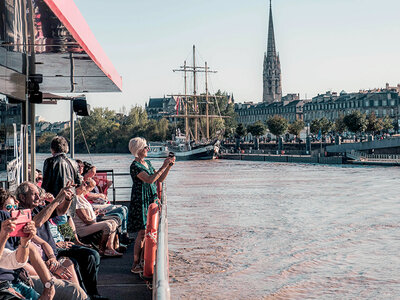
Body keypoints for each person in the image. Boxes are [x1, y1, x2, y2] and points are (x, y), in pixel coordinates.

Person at [15, 182, 105, 300]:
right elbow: (37, 223)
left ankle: (91, 294)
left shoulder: (38, 209)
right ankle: (83, 295)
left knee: (91, 255)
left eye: (38, 194)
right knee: (75, 263)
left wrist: (67, 199)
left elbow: (61, 212)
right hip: (48, 254)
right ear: (22, 197)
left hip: (53, 251)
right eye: (34, 195)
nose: (38, 197)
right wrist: (57, 200)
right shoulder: (20, 215)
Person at [127, 137, 175, 273]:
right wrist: (163, 166)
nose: (148, 149)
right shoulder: (135, 166)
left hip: (150, 198)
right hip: (140, 199)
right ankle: (136, 263)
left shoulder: (147, 162)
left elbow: (159, 179)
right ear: (139, 150)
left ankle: (144, 261)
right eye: (146, 147)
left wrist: (168, 167)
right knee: (142, 232)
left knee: (149, 231)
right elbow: (149, 180)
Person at [73, 182, 122, 257]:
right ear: (77, 188)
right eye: (83, 184)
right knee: (107, 225)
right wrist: (97, 220)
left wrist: (95, 213)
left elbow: (87, 213)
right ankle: (102, 250)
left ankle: (110, 248)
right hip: (83, 228)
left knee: (113, 222)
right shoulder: (75, 199)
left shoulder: (81, 197)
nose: (85, 185)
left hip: (89, 224)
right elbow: (85, 219)